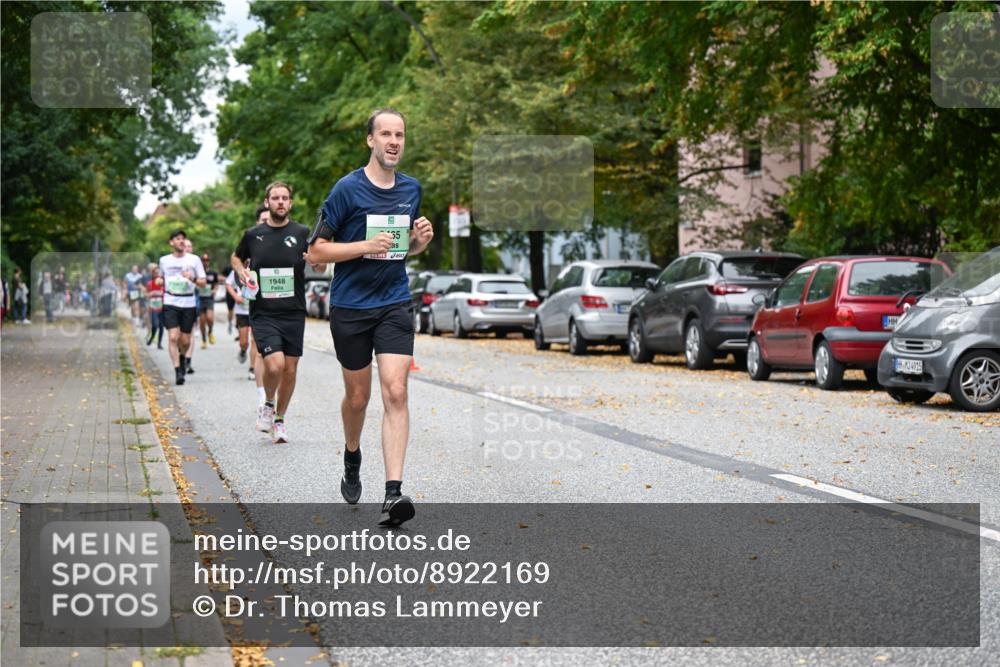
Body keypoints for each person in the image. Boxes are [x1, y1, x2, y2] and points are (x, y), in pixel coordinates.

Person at [306, 108, 434, 527]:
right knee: (358, 398)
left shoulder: (411, 188)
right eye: (386, 134)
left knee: (396, 391)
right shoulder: (346, 189)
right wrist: (363, 245)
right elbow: (316, 253)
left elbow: (401, 250)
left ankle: (393, 493)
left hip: (394, 302)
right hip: (351, 306)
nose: (394, 141)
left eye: (400, 134)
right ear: (370, 141)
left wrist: (418, 244)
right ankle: (352, 454)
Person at [232, 182, 320, 444]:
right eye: (275, 198)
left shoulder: (302, 232)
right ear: (267, 202)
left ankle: (279, 419)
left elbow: (319, 261)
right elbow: (236, 258)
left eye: (285, 198)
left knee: (290, 370)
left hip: (293, 311)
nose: (280, 202)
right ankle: (268, 403)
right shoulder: (253, 235)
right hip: (264, 312)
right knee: (275, 364)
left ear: (290, 203)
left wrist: (317, 261)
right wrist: (241, 271)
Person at [160, 230, 206, 385]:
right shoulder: (164, 260)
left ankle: (182, 357)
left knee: (185, 341)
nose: (181, 241)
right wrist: (160, 281)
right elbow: (161, 276)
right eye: (177, 239)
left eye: (183, 239)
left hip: (188, 303)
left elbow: (203, 282)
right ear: (171, 243)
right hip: (170, 301)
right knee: (173, 336)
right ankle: (177, 370)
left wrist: (191, 278)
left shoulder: (194, 260)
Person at [198, 253, 219, 349]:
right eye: (203, 260)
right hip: (200, 299)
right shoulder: (197, 273)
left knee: (210, 318)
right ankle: (203, 339)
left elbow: (216, 284)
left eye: (207, 260)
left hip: (209, 298)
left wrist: (214, 290)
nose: (205, 262)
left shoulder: (213, 273)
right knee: (202, 321)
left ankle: (210, 332)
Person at [146, 266, 165, 349]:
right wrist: (151, 293)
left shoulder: (164, 283)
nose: (157, 274)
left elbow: (165, 293)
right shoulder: (150, 283)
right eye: (155, 273)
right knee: (154, 325)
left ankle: (159, 343)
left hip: (162, 307)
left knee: (161, 326)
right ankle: (152, 337)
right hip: (153, 307)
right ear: (153, 274)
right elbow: (146, 294)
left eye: (158, 273)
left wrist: (157, 293)